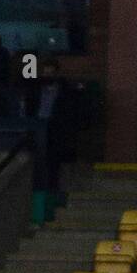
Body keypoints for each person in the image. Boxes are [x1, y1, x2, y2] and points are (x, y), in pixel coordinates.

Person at [21, 56, 81, 193]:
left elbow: (68, 111)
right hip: (38, 127)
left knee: (53, 162)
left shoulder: (64, 90)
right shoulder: (35, 89)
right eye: (46, 73)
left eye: (51, 73)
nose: (48, 76)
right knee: (38, 161)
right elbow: (28, 107)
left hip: (56, 129)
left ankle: (52, 190)